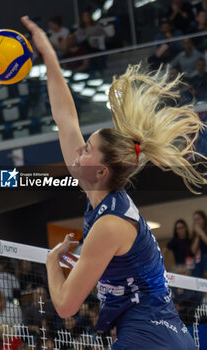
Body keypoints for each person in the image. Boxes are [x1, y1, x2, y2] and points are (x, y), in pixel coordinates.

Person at [21, 16, 207, 350]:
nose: (79, 149)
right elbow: (65, 119)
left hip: (152, 338)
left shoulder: (110, 224)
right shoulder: (100, 195)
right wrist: (49, 53)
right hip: (158, 335)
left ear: (103, 171)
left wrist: (50, 262)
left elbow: (65, 305)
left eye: (87, 148)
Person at [191, 210, 207, 278]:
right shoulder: (195, 234)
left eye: (198, 219)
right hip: (198, 261)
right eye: (195, 220)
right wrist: (197, 235)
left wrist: (201, 233)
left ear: (204, 220)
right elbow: (193, 250)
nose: (196, 222)